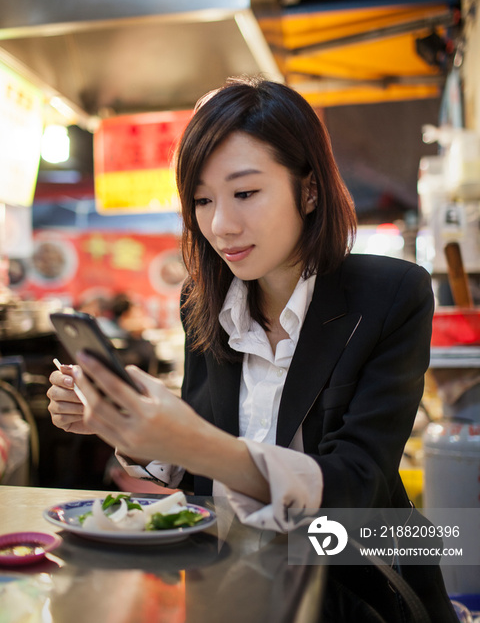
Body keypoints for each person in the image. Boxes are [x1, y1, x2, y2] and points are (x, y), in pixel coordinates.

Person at [47, 77, 457, 622]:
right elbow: (201, 475)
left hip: (357, 588)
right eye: (202, 200)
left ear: (308, 190)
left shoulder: (390, 294)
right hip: (227, 588)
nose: (221, 225)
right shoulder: (203, 302)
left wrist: (194, 443)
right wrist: (124, 426)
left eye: (245, 193)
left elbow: (357, 482)